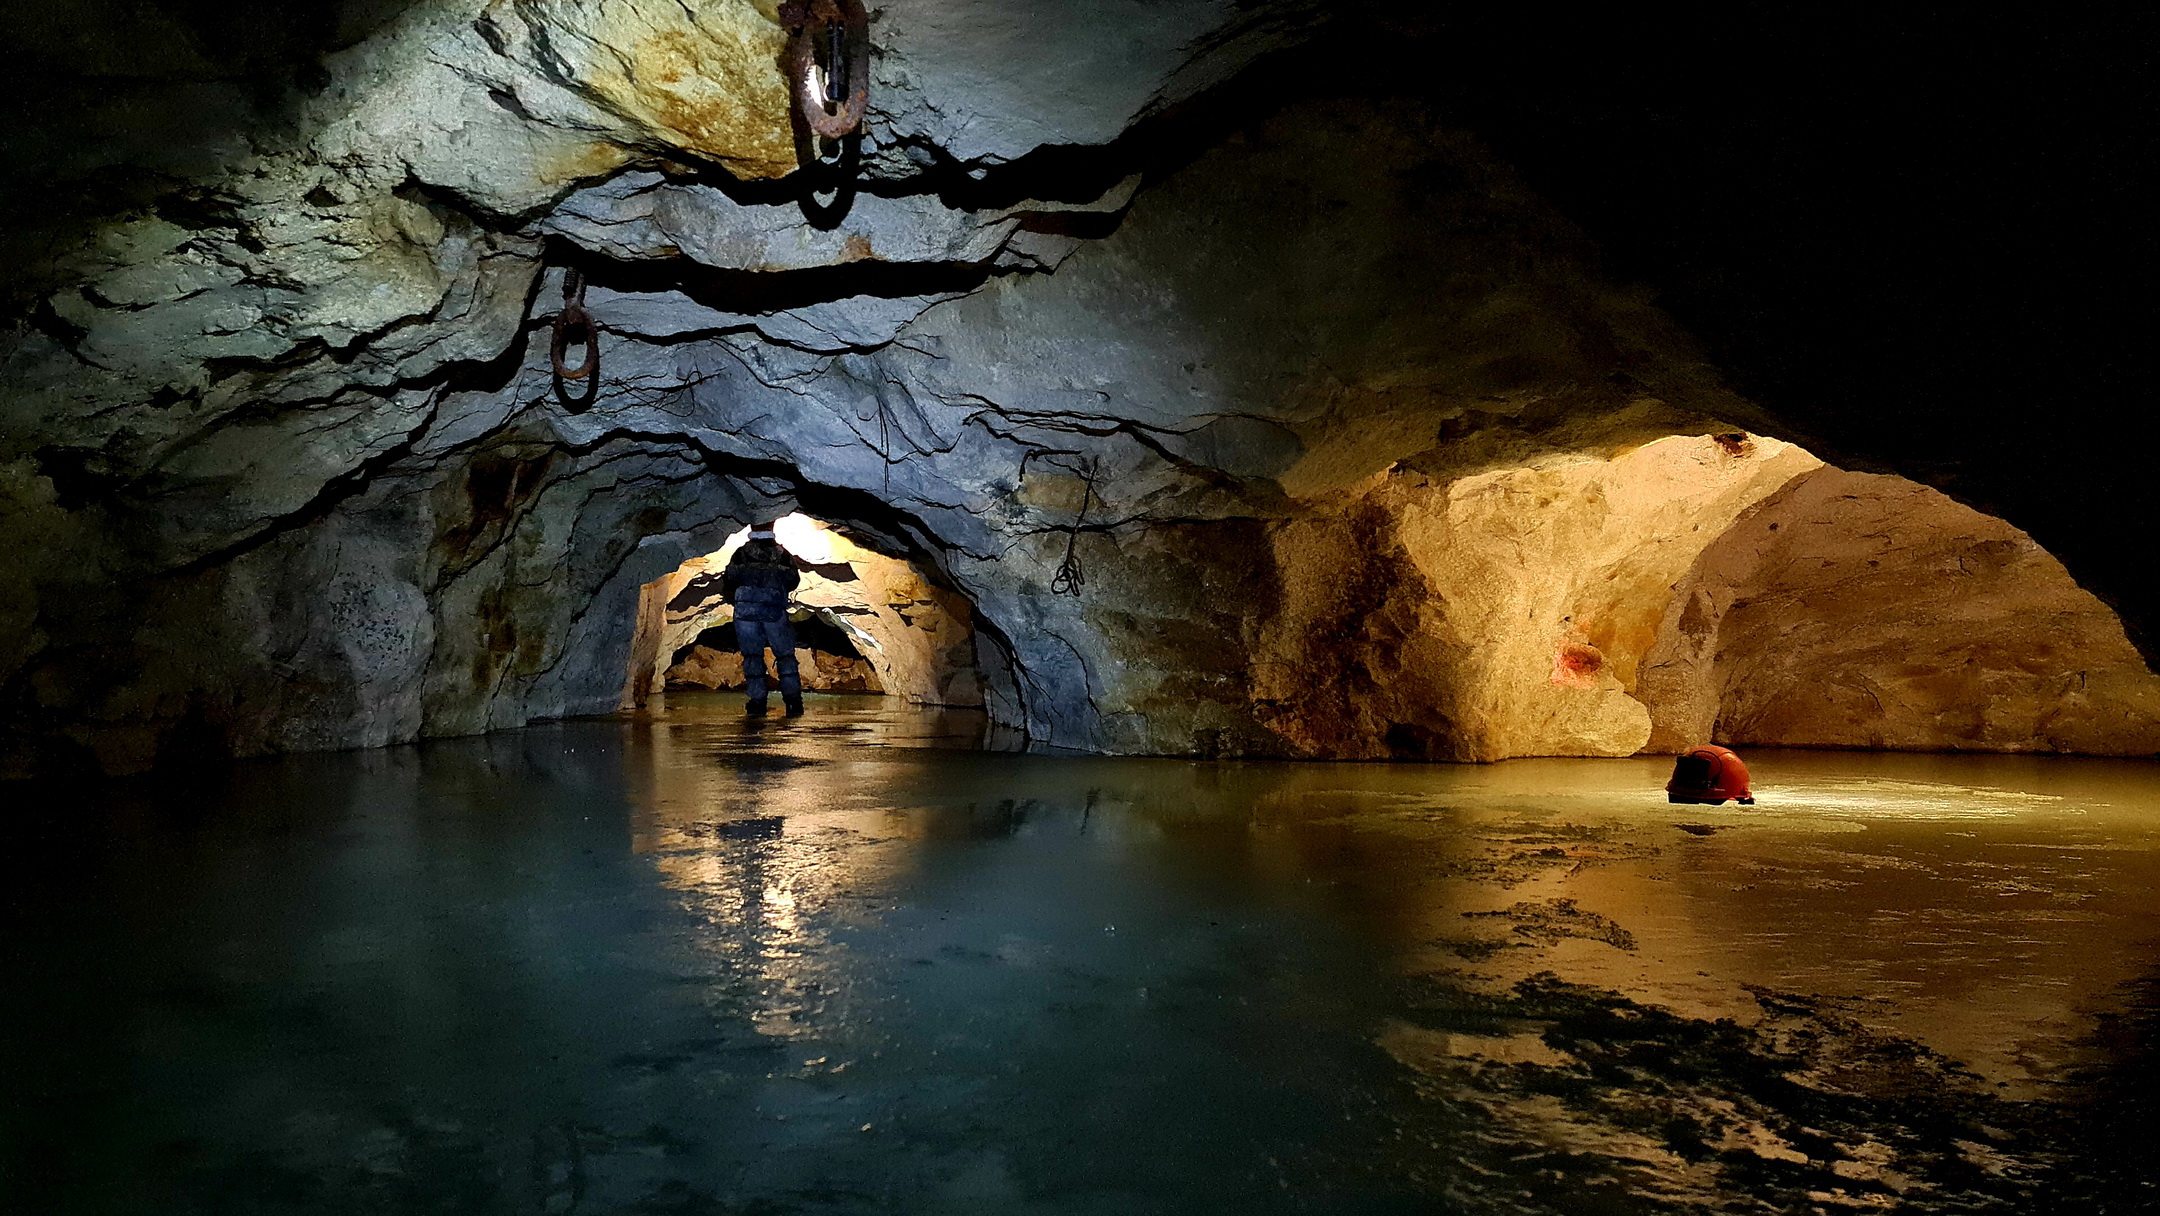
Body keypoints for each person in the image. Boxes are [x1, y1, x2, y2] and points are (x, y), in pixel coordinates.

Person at [721, 523, 804, 715]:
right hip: (774, 609)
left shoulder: (740, 554)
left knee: (752, 655)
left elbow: (730, 578)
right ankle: (793, 701)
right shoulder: (782, 554)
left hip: (746, 611)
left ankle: (757, 702)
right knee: (785, 655)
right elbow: (793, 580)